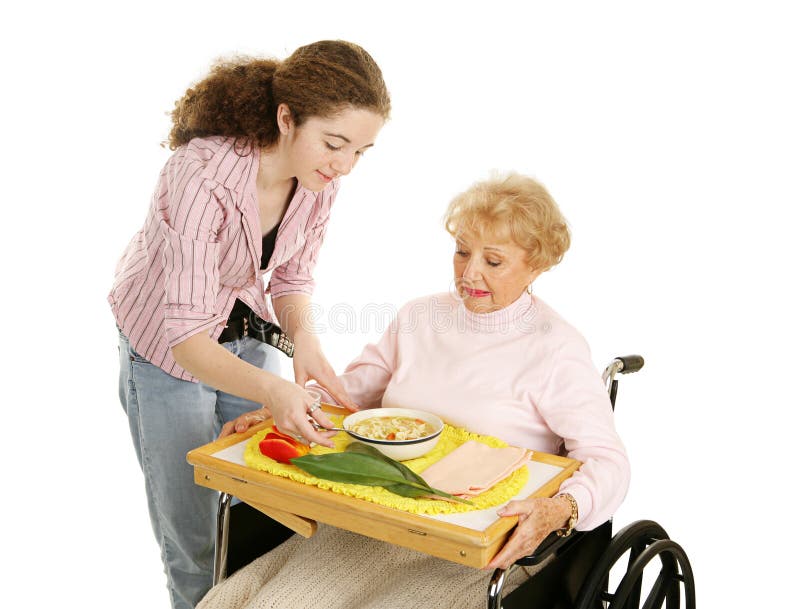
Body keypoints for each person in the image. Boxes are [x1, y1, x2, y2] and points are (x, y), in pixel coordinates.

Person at [201, 172, 631, 609]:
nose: (470, 273)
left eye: (494, 261)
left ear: (536, 264)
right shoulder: (420, 317)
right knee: (246, 601)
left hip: (481, 545)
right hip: (381, 521)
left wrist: (560, 510)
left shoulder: (556, 346)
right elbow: (349, 396)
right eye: (462, 252)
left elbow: (607, 462)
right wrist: (284, 410)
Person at [109, 40, 390, 609]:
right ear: (286, 118)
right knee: (195, 538)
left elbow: (290, 279)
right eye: (334, 144)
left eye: (361, 151)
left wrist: (305, 346)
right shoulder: (200, 174)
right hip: (166, 351)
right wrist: (274, 388)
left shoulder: (319, 183)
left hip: (242, 333)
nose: (343, 165)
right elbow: (186, 337)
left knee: (260, 518)